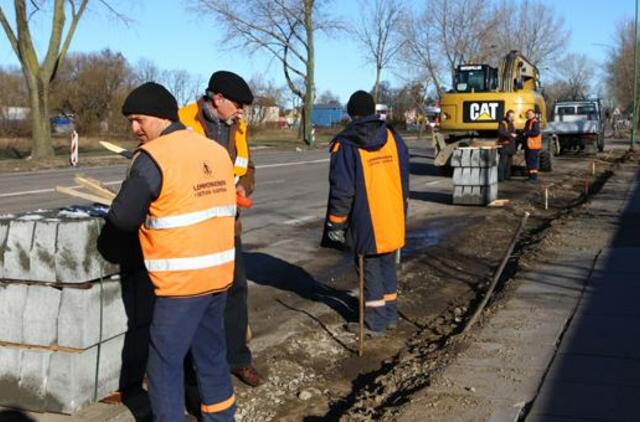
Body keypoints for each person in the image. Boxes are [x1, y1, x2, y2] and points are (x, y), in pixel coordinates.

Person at [107, 82, 237, 421]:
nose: (134, 129)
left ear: (159, 117)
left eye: (138, 120)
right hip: (219, 275)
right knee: (211, 356)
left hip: (181, 283)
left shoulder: (154, 157)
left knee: (163, 365)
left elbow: (122, 217)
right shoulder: (214, 150)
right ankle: (222, 418)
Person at [178, 71, 264, 387]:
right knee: (195, 300)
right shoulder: (183, 124)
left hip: (229, 229)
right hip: (192, 231)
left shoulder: (237, 128)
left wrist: (245, 186)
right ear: (218, 99)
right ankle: (188, 369)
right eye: (238, 105)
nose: (242, 111)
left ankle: (237, 359)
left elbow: (248, 168)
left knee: (235, 293)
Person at [321, 90, 410, 336]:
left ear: (352, 114)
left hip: (366, 218)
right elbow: (404, 176)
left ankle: (374, 322)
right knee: (386, 266)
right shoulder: (392, 137)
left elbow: (342, 189)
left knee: (369, 269)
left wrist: (336, 223)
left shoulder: (347, 142)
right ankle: (390, 314)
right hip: (392, 214)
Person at [497, 110, 517, 181]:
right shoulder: (502, 123)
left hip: (511, 145)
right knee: (503, 163)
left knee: (509, 163)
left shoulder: (511, 123)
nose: (512, 117)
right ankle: (501, 178)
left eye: (512, 116)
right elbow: (501, 133)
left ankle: (507, 177)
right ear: (507, 116)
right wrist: (511, 135)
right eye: (510, 116)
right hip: (504, 145)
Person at [522, 109, 542, 182]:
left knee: (532, 162)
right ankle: (530, 176)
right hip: (528, 145)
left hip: (533, 146)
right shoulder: (528, 122)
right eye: (527, 114)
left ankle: (534, 178)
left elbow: (536, 132)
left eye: (530, 114)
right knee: (529, 161)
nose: (528, 115)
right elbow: (525, 131)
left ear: (534, 114)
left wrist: (526, 133)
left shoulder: (535, 122)